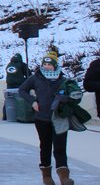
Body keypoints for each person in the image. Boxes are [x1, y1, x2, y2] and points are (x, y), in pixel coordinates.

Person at [18, 49, 83, 185]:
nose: (47, 67)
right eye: (45, 64)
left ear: (55, 65)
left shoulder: (64, 80)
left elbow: (74, 96)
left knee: (60, 147)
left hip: (59, 118)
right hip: (42, 119)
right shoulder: (35, 78)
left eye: (49, 65)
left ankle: (64, 177)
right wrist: (33, 101)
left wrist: (67, 98)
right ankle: (46, 176)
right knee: (45, 146)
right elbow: (22, 90)